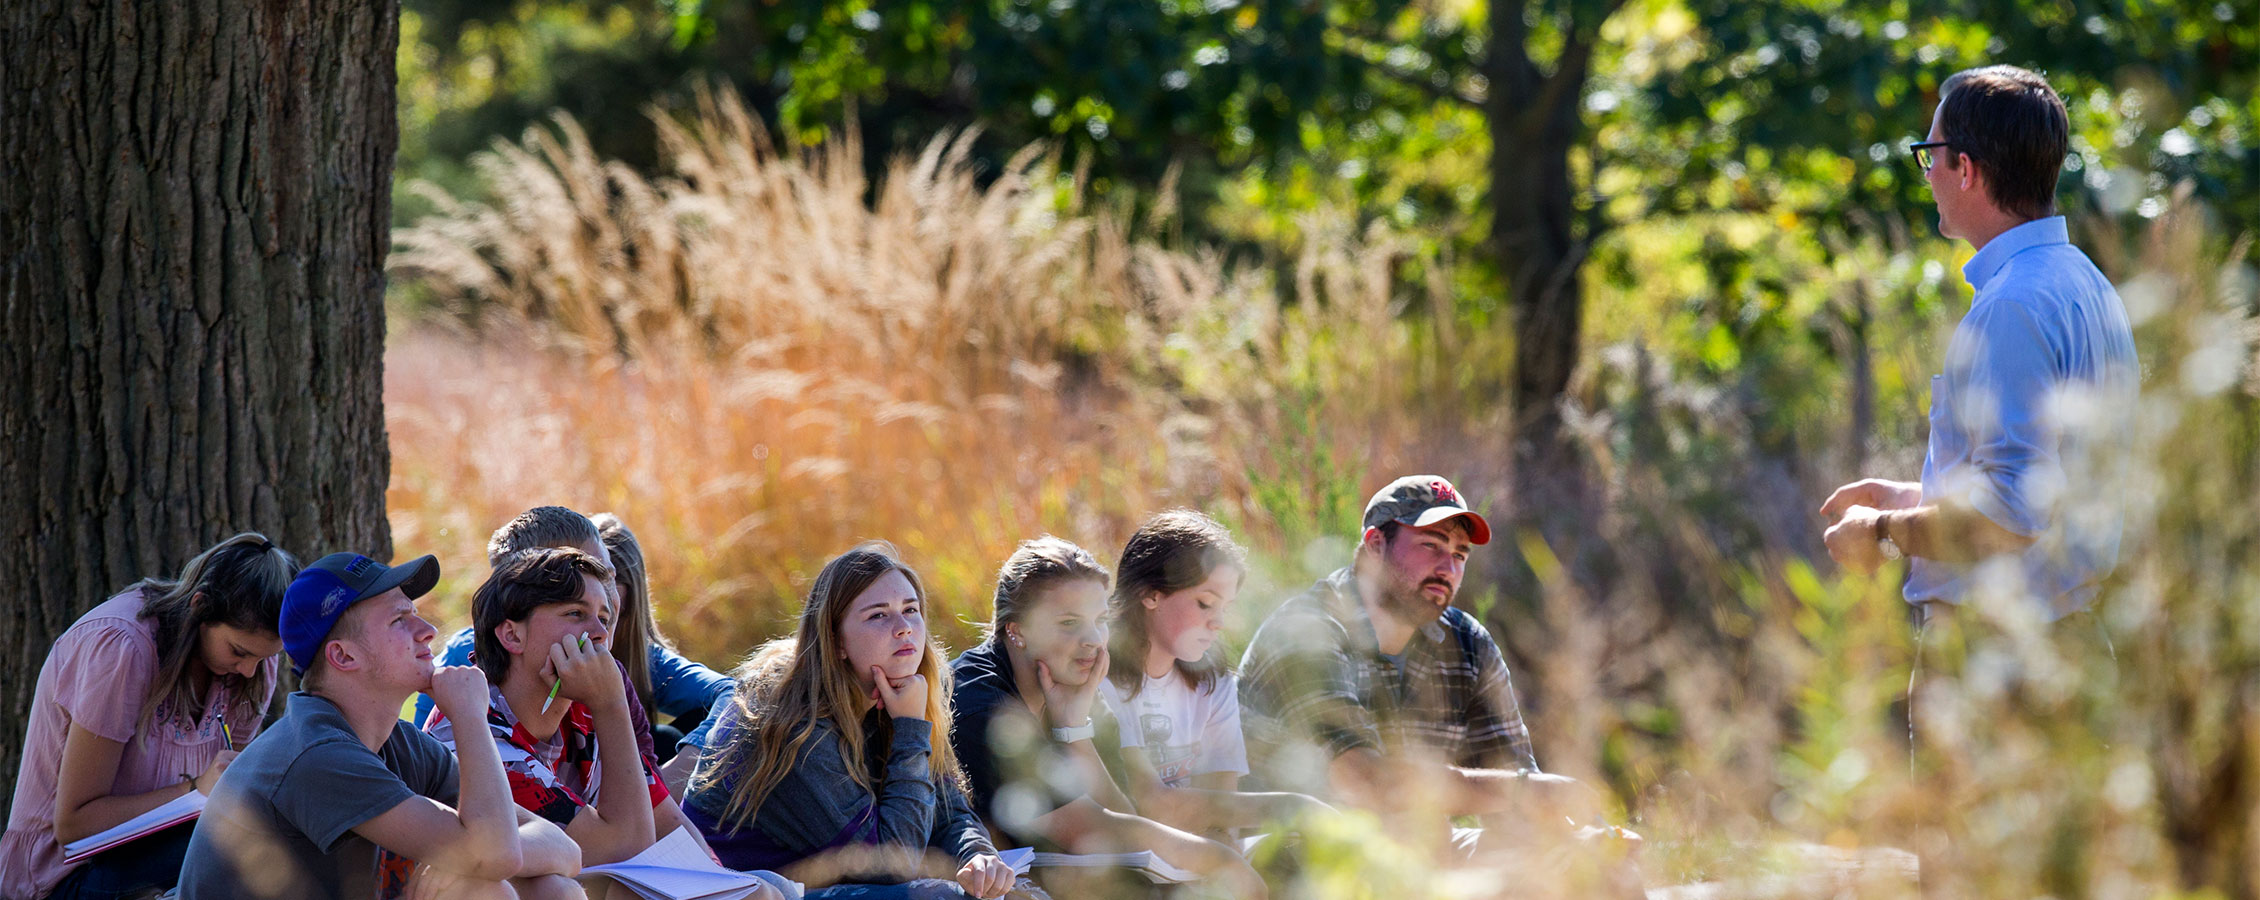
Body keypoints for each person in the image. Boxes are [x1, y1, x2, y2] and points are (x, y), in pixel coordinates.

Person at [1822, 65, 2140, 623]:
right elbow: (2034, 479)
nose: (1927, 175)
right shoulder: (2084, 281)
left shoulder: (2012, 304)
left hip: (1999, 661)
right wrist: (1911, 498)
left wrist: (1882, 535)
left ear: (1964, 168)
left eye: (1929, 155)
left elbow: (2009, 513)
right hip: (2070, 634)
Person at [1237, 476, 1635, 887]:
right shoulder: (1307, 631)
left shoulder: (1467, 643)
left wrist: (1576, 837)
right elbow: (1364, 781)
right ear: (1375, 546)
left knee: (1598, 867)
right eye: (1431, 546)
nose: (1448, 568)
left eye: (1460, 554)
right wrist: (1525, 791)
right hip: (1304, 856)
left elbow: (1515, 783)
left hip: (1418, 857)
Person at [176, 551, 583, 899]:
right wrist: (471, 717)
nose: (427, 632)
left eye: (416, 614)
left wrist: (472, 860)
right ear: (344, 656)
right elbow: (496, 853)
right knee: (485, 890)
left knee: (552, 890)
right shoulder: (316, 755)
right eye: (399, 621)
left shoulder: (397, 742)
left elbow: (564, 848)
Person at [682, 544, 1016, 900]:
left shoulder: (897, 695)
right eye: (878, 616)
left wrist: (978, 855)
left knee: (1009, 892)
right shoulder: (795, 721)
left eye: (911, 610)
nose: (904, 628)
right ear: (836, 640)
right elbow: (890, 865)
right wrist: (911, 731)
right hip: (744, 892)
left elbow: (948, 810)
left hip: (819, 885)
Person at [949, 537, 1265, 898]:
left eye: (1099, 620)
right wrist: (1219, 861)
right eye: (1069, 622)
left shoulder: (1069, 680)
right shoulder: (979, 702)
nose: (1093, 640)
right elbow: (1081, 827)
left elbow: (1125, 811)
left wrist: (1074, 726)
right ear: (1016, 630)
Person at [2, 533, 299, 900]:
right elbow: (73, 824)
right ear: (200, 606)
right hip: (60, 876)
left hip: (161, 857)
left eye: (263, 657)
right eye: (239, 651)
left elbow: (227, 796)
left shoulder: (253, 666)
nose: (251, 671)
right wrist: (195, 789)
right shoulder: (121, 650)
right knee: (233, 856)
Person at [424, 547, 706, 867]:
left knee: (767, 887)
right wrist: (612, 704)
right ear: (512, 636)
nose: (600, 634)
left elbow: (673, 830)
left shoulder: (583, 704)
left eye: (604, 618)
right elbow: (625, 850)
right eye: (575, 613)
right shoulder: (475, 729)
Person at [419, 508, 730, 764]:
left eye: (607, 576)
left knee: (672, 738)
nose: (602, 598)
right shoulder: (467, 668)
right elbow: (424, 754)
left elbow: (735, 695)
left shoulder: (614, 665)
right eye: (576, 577)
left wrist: (678, 788)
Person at [1100, 510, 1333, 841]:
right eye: (1205, 603)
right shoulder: (1098, 677)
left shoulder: (1212, 681)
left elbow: (1223, 811)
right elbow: (1151, 806)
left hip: (1201, 860)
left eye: (1226, 607)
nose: (1219, 622)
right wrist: (1293, 807)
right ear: (1151, 593)